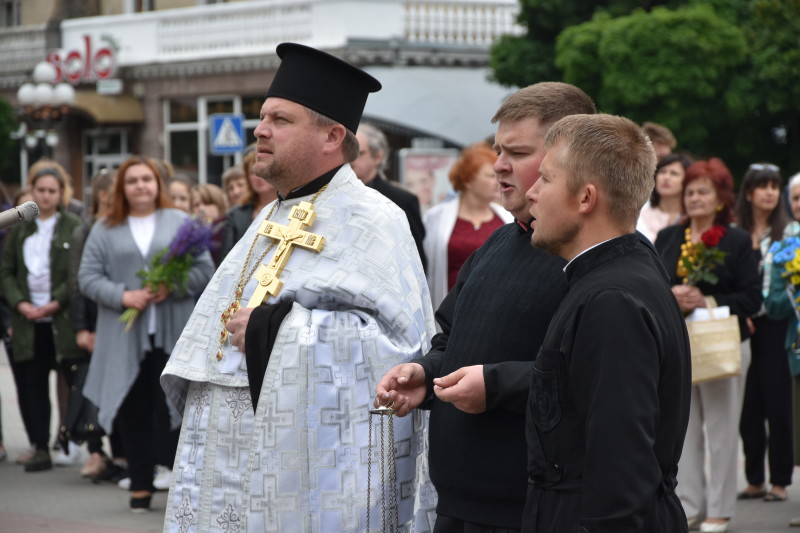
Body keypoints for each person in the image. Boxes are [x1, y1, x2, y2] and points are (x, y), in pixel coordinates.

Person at [160, 42, 435, 532]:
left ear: (332, 135)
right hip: (228, 454)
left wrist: (273, 329)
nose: (260, 130)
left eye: (280, 120)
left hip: (309, 470)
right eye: (262, 117)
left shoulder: (375, 219)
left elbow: (398, 351)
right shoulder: (271, 213)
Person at [375, 82, 597, 533]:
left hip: (533, 509)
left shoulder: (590, 259)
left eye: (518, 152)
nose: (499, 166)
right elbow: (451, 338)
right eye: (498, 151)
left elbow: (592, 379)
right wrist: (426, 375)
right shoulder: (497, 243)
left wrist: (496, 386)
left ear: (568, 158)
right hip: (459, 503)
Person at [521, 113, 691, 532]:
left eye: (545, 178)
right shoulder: (613, 278)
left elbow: (620, 474)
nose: (531, 193)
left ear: (585, 198)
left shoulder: (611, 300)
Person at [78, 156, 214, 512]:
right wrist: (123, 296)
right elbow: (87, 277)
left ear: (158, 184)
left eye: (147, 179)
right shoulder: (105, 227)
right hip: (124, 337)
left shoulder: (179, 222)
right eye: (133, 180)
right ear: (122, 188)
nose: (140, 185)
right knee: (133, 408)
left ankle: (183, 485)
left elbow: (205, 270)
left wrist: (173, 285)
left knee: (175, 407)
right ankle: (140, 485)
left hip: (172, 334)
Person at [655, 158, 762, 532]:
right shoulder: (669, 236)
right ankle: (687, 503)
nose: (694, 198)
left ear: (720, 198)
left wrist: (707, 300)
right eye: (690, 192)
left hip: (723, 345)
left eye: (703, 192)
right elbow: (652, 283)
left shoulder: (736, 240)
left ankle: (720, 507)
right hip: (680, 345)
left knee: (721, 429)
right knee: (682, 430)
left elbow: (751, 298)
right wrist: (671, 293)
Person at [0, 165, 84, 472]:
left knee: (71, 381)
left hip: (61, 319)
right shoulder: (20, 227)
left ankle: (71, 440)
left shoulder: (73, 225)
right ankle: (39, 446)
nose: (46, 196)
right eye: (40, 190)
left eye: (52, 191)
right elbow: (6, 270)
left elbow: (76, 273)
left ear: (61, 194)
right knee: (32, 385)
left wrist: (54, 303)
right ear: (32, 191)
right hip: (28, 320)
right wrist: (20, 303)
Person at [734, 163, 793, 503]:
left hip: (776, 325)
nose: (770, 192)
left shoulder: (790, 232)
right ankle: (754, 478)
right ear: (748, 192)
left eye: (774, 186)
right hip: (742, 325)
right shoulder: (734, 232)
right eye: (763, 186)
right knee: (748, 405)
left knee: (777, 401)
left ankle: (780, 481)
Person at [422, 143, 512, 311]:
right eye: (490, 176)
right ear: (468, 180)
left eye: (498, 175)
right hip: (450, 309)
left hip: (496, 308)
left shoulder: (507, 217)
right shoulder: (436, 217)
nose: (497, 181)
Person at [353, 122, 428, 270]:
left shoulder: (402, 200)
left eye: (359, 153)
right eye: (348, 152)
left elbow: (416, 259)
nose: (351, 160)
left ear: (378, 157)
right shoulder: (335, 193)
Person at [219, 145, 278, 260]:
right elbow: (226, 259)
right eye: (252, 172)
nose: (258, 176)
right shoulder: (236, 215)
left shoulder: (292, 207)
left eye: (264, 169)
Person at [636, 154, 692, 243]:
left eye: (674, 173)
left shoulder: (691, 218)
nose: (666, 177)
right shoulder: (638, 214)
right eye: (662, 172)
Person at [192, 183, 228, 266]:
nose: (201, 208)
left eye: (207, 203)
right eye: (196, 205)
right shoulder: (191, 234)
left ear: (220, 205)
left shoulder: (228, 229)